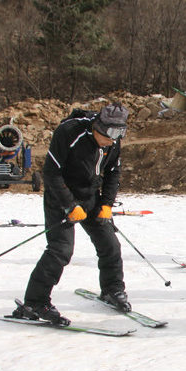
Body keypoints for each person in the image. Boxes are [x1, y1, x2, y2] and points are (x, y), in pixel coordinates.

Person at [12, 103, 131, 326]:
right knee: (60, 250)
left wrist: (106, 204)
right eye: (112, 134)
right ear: (99, 127)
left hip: (91, 195)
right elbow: (51, 173)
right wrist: (69, 205)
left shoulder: (112, 141)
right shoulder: (69, 132)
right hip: (61, 195)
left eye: (120, 134)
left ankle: (112, 290)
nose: (114, 140)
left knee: (110, 244)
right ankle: (35, 302)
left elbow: (113, 172)